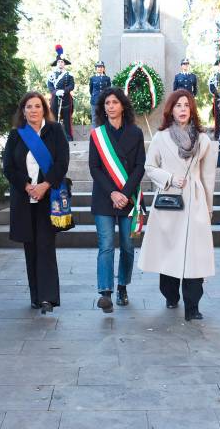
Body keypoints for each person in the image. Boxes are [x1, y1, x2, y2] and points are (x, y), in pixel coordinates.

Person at [138, 89, 217, 321]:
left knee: (196, 255)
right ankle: (170, 294)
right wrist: (169, 178)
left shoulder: (203, 140)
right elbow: (149, 167)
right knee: (169, 252)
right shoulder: (161, 138)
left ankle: (193, 306)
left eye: (186, 105)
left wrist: (209, 208)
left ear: (192, 109)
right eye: (178, 105)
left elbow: (208, 177)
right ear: (171, 110)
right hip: (170, 201)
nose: (182, 109)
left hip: (194, 201)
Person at [3, 92, 69, 314]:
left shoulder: (55, 131)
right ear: (23, 111)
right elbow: (8, 167)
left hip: (47, 198)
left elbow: (62, 162)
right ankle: (35, 295)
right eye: (29, 106)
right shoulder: (15, 136)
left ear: (44, 109)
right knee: (30, 247)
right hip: (24, 199)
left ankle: (48, 298)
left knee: (45, 246)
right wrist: (26, 185)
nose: (33, 110)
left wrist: (44, 185)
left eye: (37, 106)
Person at [88, 87, 145, 313]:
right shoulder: (98, 135)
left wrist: (124, 192)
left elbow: (140, 165)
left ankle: (122, 285)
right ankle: (105, 292)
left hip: (128, 197)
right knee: (106, 245)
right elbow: (94, 167)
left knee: (128, 246)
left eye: (114, 102)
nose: (110, 106)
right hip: (104, 198)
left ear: (122, 105)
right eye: (107, 103)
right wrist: (113, 192)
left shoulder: (136, 133)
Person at [47, 46, 75, 141]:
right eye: (59, 62)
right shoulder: (51, 74)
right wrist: (56, 92)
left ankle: (68, 137)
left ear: (64, 64)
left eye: (62, 62)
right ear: (56, 63)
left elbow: (72, 86)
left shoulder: (69, 74)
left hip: (66, 98)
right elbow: (50, 86)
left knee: (67, 119)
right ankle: (53, 136)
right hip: (55, 99)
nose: (60, 63)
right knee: (53, 118)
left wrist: (64, 91)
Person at [89, 61, 111, 127]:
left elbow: (108, 89)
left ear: (104, 69)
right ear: (96, 69)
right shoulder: (92, 78)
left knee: (104, 118)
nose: (100, 68)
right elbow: (91, 90)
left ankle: (104, 135)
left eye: (101, 67)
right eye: (98, 67)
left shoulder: (107, 78)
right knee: (94, 119)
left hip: (104, 101)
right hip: (94, 101)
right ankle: (94, 136)